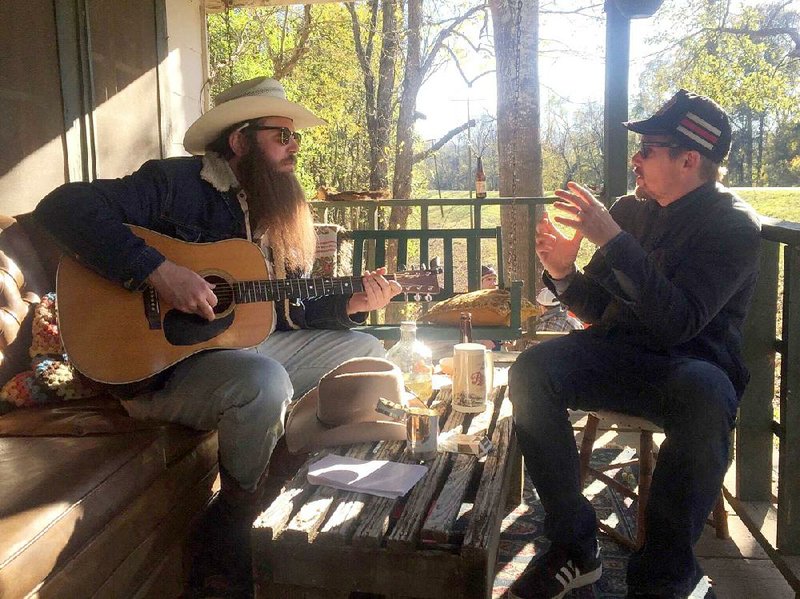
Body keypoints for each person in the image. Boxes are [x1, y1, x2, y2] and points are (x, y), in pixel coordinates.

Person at [33, 76, 401, 598]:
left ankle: (295, 483)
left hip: (238, 352)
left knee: (364, 352)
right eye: (282, 136)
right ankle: (231, 523)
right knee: (265, 382)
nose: (294, 148)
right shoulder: (176, 184)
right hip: (161, 369)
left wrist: (352, 304)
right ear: (240, 140)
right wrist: (158, 271)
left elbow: (287, 307)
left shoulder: (272, 209)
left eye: (296, 138)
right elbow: (63, 206)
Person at [508, 89, 761, 599]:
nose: (637, 159)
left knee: (707, 394)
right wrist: (562, 272)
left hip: (685, 368)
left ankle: (662, 577)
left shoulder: (732, 225)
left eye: (648, 148)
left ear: (689, 159)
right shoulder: (631, 209)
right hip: (618, 356)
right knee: (531, 369)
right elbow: (596, 308)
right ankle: (574, 546)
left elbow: (679, 323)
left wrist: (614, 241)